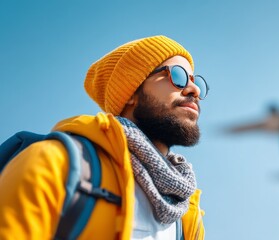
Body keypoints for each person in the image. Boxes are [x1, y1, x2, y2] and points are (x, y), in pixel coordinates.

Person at [0, 35, 207, 239]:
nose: (195, 89)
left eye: (195, 81)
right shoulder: (56, 163)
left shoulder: (187, 217)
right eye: (178, 76)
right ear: (132, 93)